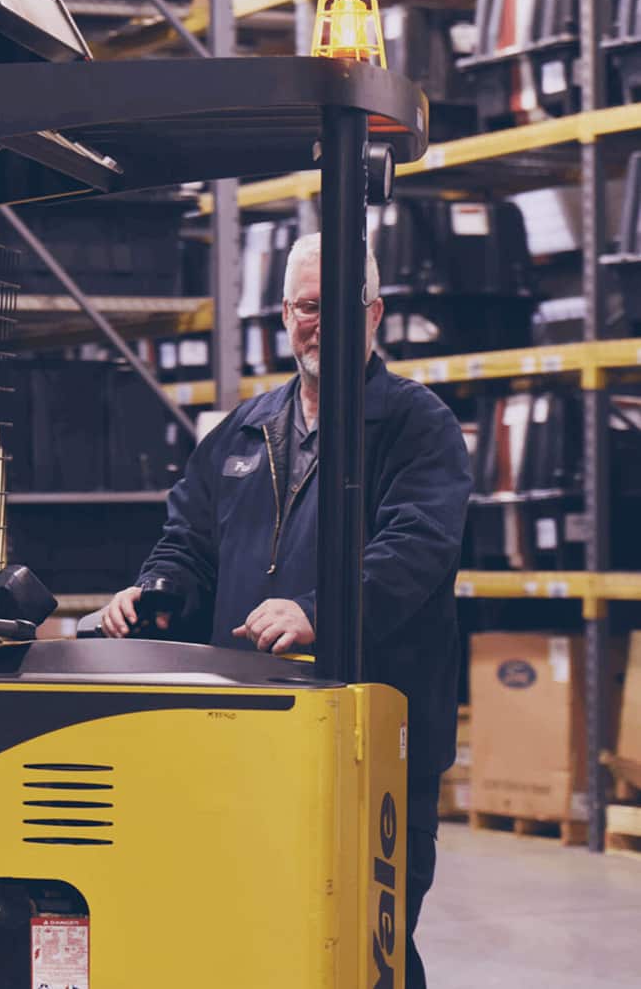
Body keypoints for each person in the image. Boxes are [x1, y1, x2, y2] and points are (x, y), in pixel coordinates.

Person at [100, 232, 471, 988]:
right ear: (283, 313)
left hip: (372, 731)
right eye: (307, 306)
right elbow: (187, 543)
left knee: (371, 941)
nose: (320, 324)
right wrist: (155, 594)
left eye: (340, 307)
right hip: (245, 732)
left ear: (375, 314)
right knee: (257, 931)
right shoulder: (239, 430)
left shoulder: (417, 425)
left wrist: (316, 613)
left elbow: (416, 549)